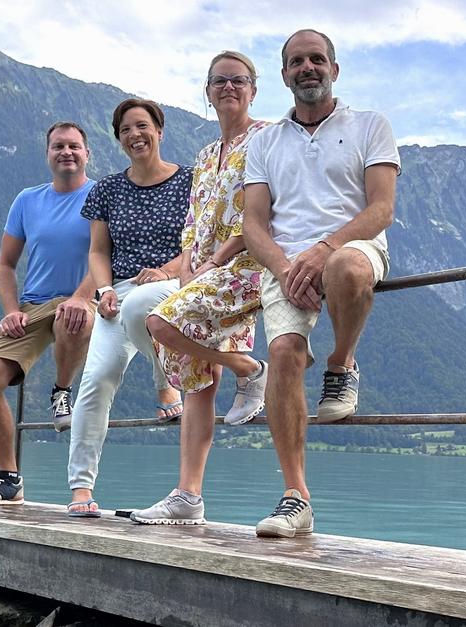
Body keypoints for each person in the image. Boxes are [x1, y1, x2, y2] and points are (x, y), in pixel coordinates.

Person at [242, 29, 400, 537]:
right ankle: (296, 499)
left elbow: (381, 209)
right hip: (284, 262)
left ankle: (341, 362)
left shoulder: (370, 125)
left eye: (316, 59)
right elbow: (252, 226)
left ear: (334, 69)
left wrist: (325, 248)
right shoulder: (263, 142)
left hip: (352, 245)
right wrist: (288, 269)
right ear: (284, 75)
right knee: (285, 353)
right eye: (296, 62)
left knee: (346, 269)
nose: (307, 67)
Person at [130, 51, 271, 525]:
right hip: (206, 272)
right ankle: (187, 497)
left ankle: (247, 367)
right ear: (208, 93)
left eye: (238, 80)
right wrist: (189, 266)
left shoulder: (267, 139)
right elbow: (194, 222)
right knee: (195, 381)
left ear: (254, 89)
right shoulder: (207, 155)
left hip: (247, 266)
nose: (228, 88)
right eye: (219, 82)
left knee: (159, 321)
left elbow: (262, 214)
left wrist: (213, 262)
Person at [65, 99, 191, 517]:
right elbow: (99, 251)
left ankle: (165, 383)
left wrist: (166, 271)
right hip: (117, 292)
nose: (135, 135)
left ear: (160, 129)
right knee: (96, 378)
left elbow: (198, 246)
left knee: (142, 303)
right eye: (125, 130)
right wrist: (102, 291)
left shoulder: (191, 181)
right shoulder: (107, 190)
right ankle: (81, 489)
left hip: (173, 285)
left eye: (143, 126)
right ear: (118, 139)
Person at [0, 122, 98, 506]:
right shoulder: (27, 200)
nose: (66, 152)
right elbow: (5, 265)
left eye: (74, 146)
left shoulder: (101, 195)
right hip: (33, 305)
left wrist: (81, 296)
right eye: (58, 147)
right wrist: (10, 311)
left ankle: (61, 390)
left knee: (75, 316)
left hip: (83, 297)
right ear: (48, 154)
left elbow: (105, 255)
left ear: (87, 154)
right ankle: (9, 480)